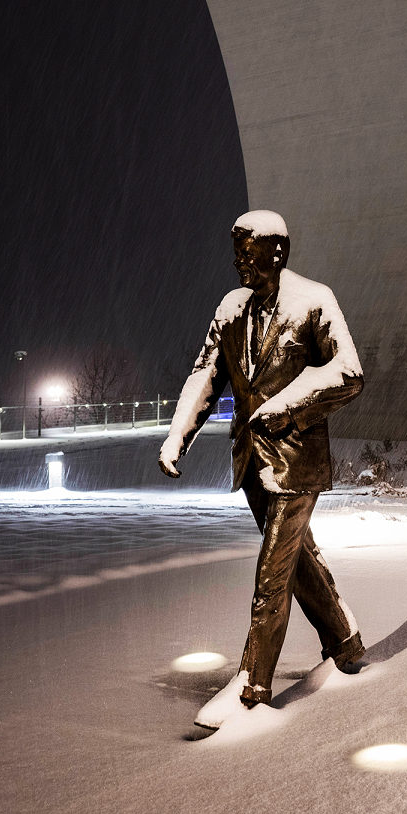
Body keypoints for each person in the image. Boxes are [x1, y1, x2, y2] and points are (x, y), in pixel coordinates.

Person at [158, 210, 365, 727]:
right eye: (236, 255)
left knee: (271, 574)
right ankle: (344, 640)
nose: (238, 265)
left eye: (247, 255)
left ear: (277, 253)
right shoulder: (231, 309)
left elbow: (348, 372)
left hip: (298, 463)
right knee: (295, 563)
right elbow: (206, 372)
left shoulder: (315, 301)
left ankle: (253, 686)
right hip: (252, 463)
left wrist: (287, 405)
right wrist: (178, 434)